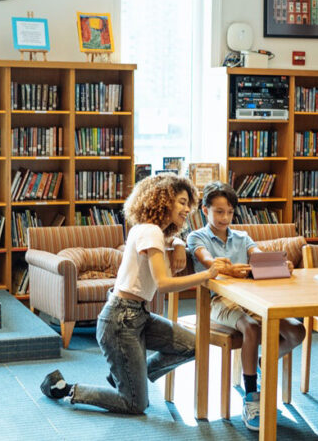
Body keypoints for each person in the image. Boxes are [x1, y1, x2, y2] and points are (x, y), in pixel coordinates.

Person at [40, 173, 228, 414]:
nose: (187, 210)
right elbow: (163, 283)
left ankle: (127, 376)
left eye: (188, 204)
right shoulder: (151, 232)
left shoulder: (150, 230)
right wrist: (208, 274)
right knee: (135, 404)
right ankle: (65, 389)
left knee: (195, 345)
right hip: (120, 321)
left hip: (136, 314)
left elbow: (170, 243)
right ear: (163, 201)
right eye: (181, 202)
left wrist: (179, 243)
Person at [186, 181, 305, 432]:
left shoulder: (242, 237)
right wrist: (228, 269)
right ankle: (252, 397)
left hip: (249, 298)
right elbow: (209, 262)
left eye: (229, 212)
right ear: (205, 210)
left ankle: (261, 362)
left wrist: (280, 266)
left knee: (296, 330)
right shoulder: (197, 236)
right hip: (217, 301)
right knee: (250, 328)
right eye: (219, 211)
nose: (225, 217)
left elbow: (259, 257)